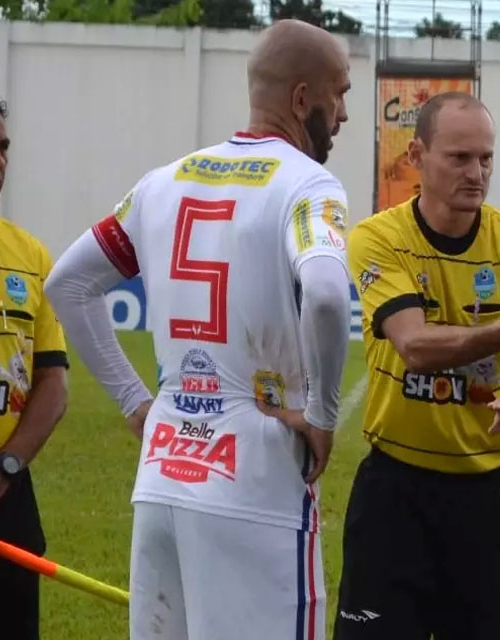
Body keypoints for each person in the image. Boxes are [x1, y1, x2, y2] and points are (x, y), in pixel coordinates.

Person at [44, 20, 352, 640]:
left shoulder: (164, 180)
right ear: (300, 99)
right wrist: (321, 413)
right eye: (338, 94)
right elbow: (324, 294)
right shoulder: (308, 183)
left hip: (164, 480)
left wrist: (136, 399)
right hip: (257, 485)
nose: (343, 114)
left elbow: (67, 284)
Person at [336, 92, 500, 640]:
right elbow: (414, 344)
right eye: (460, 157)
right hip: (394, 492)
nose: (477, 173)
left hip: (486, 495)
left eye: (486, 158)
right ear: (417, 156)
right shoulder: (379, 238)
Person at [0, 84, 69, 639]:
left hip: (6, 500)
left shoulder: (29, 257)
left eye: (3, 147)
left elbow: (53, 382)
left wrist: (1, 471)